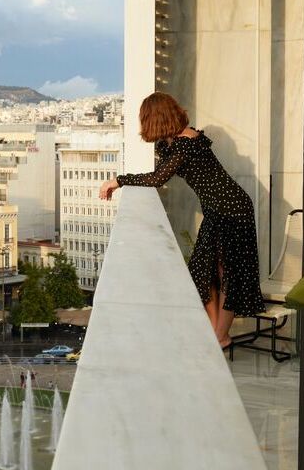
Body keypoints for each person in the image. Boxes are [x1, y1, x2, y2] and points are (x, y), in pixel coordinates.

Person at [99, 92, 265, 350]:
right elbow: (161, 169)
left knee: (227, 275)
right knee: (202, 274)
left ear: (154, 118)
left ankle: (220, 336)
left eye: (144, 118)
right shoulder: (172, 142)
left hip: (232, 210)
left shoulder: (185, 143)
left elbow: (157, 178)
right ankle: (213, 333)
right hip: (217, 210)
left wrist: (118, 180)